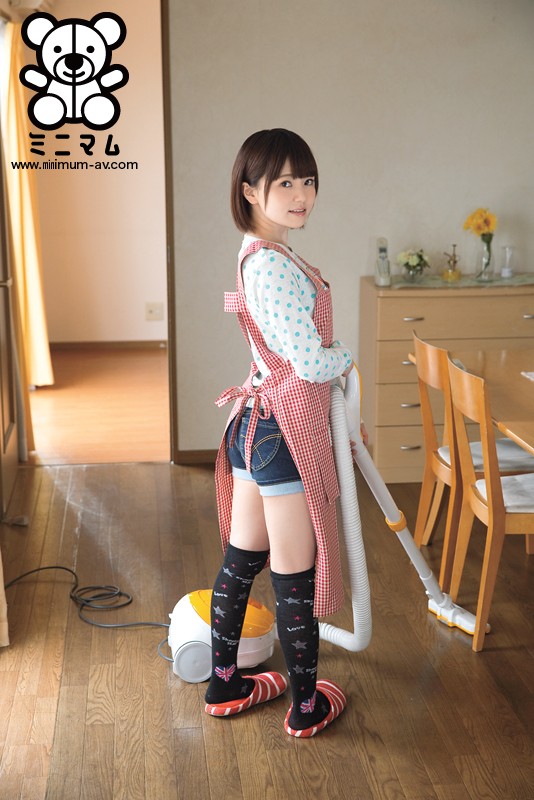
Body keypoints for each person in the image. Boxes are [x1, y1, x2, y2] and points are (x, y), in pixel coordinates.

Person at [204, 128, 356, 738]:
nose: (301, 195)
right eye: (285, 182)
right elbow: (309, 361)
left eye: (308, 181)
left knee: (243, 559)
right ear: (250, 190)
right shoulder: (273, 265)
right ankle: (306, 707)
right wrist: (347, 357)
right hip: (282, 433)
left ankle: (225, 684)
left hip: (255, 425)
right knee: (294, 573)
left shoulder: (257, 252)